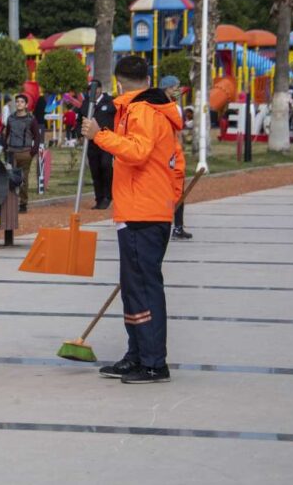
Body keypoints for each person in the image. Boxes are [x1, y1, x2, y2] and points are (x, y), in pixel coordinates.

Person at [81, 55, 185, 384]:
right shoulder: (147, 109)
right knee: (134, 288)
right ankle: (138, 353)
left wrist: (100, 136)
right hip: (141, 209)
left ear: (119, 81)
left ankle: (153, 362)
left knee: (142, 287)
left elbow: (137, 153)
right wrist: (170, 197)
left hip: (144, 213)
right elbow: (176, 161)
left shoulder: (143, 110)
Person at [160, 75, 193, 240]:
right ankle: (167, 225)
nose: (178, 91)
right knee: (168, 191)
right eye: (175, 87)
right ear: (167, 88)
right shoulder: (164, 106)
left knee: (177, 191)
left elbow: (178, 132)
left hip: (172, 153)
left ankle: (177, 226)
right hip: (166, 153)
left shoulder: (174, 107)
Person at [79, 82, 116, 210]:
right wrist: (80, 134)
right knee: (95, 170)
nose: (92, 92)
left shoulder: (110, 101)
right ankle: (99, 198)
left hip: (106, 141)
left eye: (94, 89)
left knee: (106, 166)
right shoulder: (86, 103)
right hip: (91, 143)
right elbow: (80, 119)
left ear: (100, 89)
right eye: (89, 89)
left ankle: (108, 196)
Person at [4, 94, 40, 213]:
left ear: (26, 104)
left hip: (25, 153)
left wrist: (32, 152)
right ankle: (11, 203)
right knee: (10, 179)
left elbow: (37, 137)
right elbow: (7, 134)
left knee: (23, 179)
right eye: (17, 101)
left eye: (21, 102)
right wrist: (5, 148)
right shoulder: (11, 118)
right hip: (12, 152)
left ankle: (23, 204)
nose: (19, 104)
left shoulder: (31, 119)